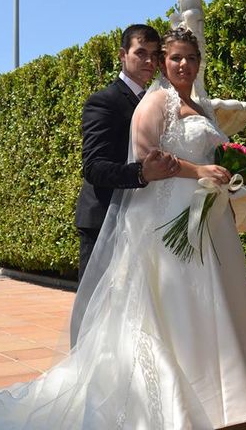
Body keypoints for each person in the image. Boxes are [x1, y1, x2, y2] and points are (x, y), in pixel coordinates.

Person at [0, 27, 246, 430]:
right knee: (110, 311)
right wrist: (171, 173)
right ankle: (106, 383)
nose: (164, 62)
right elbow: (102, 166)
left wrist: (227, 177)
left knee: (201, 303)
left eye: (188, 57)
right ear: (133, 57)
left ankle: (223, 391)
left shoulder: (198, 106)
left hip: (201, 219)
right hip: (130, 215)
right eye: (155, 55)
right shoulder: (116, 102)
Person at [75, 24, 179, 282]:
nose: (149, 61)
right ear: (123, 55)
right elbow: (94, 167)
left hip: (145, 220)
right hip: (104, 221)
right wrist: (142, 173)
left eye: (155, 55)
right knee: (95, 314)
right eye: (141, 53)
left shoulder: (159, 100)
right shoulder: (104, 101)